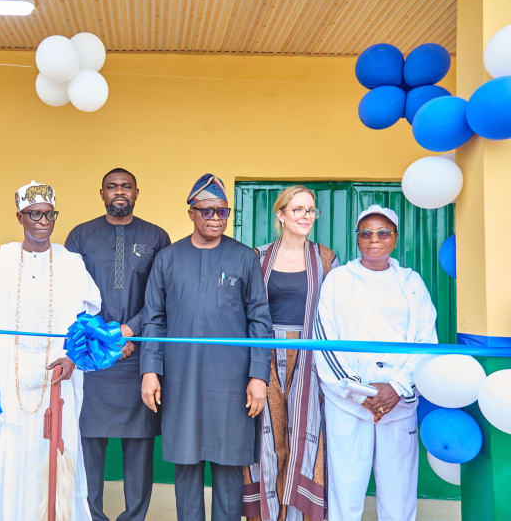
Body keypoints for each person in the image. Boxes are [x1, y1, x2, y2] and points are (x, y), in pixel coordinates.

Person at [0, 181, 101, 520]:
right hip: (9, 376)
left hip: (60, 377)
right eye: (34, 214)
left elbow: (89, 318)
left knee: (54, 448)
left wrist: (73, 356)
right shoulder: (1, 261)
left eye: (49, 214)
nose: (43, 221)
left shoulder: (72, 263)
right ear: (20, 217)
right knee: (9, 450)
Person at [140, 173, 273, 521]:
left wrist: (258, 377)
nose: (216, 219)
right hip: (181, 379)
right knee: (186, 465)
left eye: (223, 212)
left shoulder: (244, 258)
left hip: (231, 382)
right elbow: (154, 319)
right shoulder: (168, 259)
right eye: (208, 212)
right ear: (191, 213)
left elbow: (260, 319)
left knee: (230, 467)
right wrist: (150, 371)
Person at [313, 204, 437, 521]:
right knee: (346, 488)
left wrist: (396, 387)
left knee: (399, 492)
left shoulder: (411, 282)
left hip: (398, 403)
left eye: (383, 233)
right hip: (349, 402)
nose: (374, 239)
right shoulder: (339, 279)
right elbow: (324, 340)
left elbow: (426, 341)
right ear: (357, 239)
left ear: (394, 239)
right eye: (366, 233)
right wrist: (361, 391)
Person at [65, 168, 170, 521]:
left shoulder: (156, 236)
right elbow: (71, 294)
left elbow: (161, 296)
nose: (119, 192)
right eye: (112, 187)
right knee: (88, 447)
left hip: (139, 358)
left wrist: (130, 331)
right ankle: (90, 515)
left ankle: (133, 517)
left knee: (139, 449)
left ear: (137, 193)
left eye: (126, 186)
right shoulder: (81, 235)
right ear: (102, 193)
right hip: (92, 358)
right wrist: (106, 338)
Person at [242, 186, 339, 521]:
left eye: (311, 210)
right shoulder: (257, 257)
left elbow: (333, 314)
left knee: (305, 435)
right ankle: (267, 513)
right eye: (297, 210)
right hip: (264, 352)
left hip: (310, 354)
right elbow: (247, 312)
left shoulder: (326, 259)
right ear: (280, 215)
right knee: (267, 436)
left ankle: (297, 514)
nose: (306, 216)